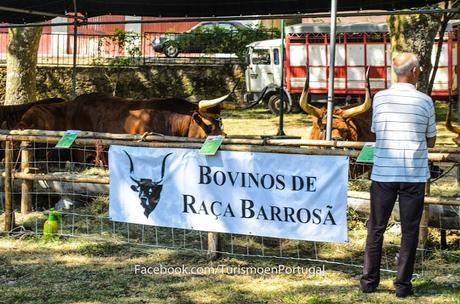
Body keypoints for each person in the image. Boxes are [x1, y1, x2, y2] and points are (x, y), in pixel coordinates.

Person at [360, 52, 437, 298]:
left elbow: (376, 132)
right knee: (410, 230)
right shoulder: (425, 101)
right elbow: (432, 141)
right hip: (413, 174)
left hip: (383, 173)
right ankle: (402, 286)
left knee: (376, 227)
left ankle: (369, 281)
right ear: (414, 72)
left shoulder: (380, 98)